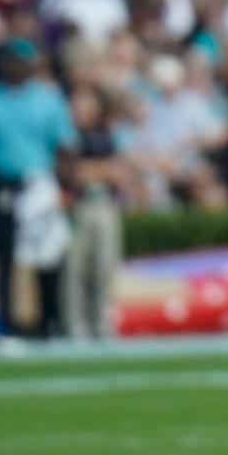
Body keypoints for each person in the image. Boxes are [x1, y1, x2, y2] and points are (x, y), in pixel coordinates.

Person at [0, 39, 75, 340]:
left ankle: (50, 321)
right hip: (4, 183)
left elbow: (65, 147)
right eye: (10, 61)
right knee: (5, 257)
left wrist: (67, 187)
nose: (15, 67)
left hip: (40, 183)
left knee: (48, 255)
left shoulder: (47, 100)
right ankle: (8, 324)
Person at [62, 85, 126, 341]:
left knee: (104, 266)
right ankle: (75, 324)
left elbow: (116, 173)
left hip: (103, 204)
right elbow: (73, 174)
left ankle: (101, 322)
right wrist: (97, 171)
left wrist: (91, 171)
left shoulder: (104, 136)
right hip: (79, 206)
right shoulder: (67, 137)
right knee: (75, 268)